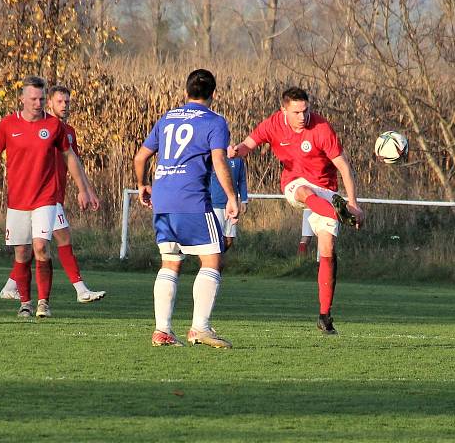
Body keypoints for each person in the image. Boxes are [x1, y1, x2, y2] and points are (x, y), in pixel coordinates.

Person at [228, 86, 364, 335]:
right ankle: (338, 213)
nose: (303, 116)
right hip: (295, 184)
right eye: (297, 112)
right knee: (303, 192)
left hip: (326, 190)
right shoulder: (272, 124)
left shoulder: (321, 128)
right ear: (284, 111)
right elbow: (248, 145)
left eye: (306, 110)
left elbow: (344, 167)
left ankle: (324, 315)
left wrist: (353, 202)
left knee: (327, 249)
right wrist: (235, 151)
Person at [134, 69, 239, 349]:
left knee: (171, 262)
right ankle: (200, 329)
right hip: (191, 199)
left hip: (163, 200)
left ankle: (162, 331)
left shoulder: (167, 118)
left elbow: (141, 155)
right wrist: (231, 195)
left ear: (185, 93)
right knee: (212, 259)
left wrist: (142, 184)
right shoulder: (215, 122)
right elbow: (219, 161)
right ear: (214, 94)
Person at [0, 76, 96, 318]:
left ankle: (44, 302)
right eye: (33, 98)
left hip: (46, 198)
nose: (38, 103)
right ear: (22, 99)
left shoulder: (54, 127)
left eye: (42, 98)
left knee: (41, 247)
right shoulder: (8, 125)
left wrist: (83, 188)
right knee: (22, 253)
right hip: (17, 201)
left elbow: (70, 157)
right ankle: (25, 302)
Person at [210, 156, 248, 251]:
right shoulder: (215, 155)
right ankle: (214, 263)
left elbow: (242, 180)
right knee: (216, 238)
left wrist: (244, 200)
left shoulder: (239, 160)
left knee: (229, 239)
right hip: (215, 204)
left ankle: (217, 261)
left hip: (232, 204)